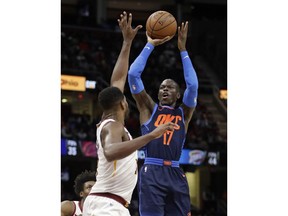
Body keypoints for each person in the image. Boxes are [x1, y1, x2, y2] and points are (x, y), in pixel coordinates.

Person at [83, 11, 176, 216]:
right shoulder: (113, 126)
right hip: (107, 205)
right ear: (124, 104)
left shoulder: (108, 120)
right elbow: (111, 151)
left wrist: (127, 43)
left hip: (108, 203)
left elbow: (118, 80)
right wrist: (152, 135)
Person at [128, 21, 199, 216]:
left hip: (176, 173)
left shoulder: (184, 113)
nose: (165, 89)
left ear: (178, 95)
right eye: (161, 87)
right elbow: (133, 74)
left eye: (170, 87)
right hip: (152, 170)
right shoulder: (148, 107)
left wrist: (183, 50)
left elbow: (192, 86)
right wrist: (150, 44)